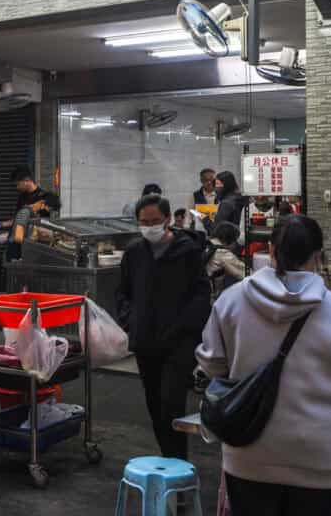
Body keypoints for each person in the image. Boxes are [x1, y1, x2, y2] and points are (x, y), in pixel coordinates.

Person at [196, 215, 331, 515]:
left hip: (249, 457)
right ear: (318, 256)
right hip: (321, 460)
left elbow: (211, 363)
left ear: (271, 250)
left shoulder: (231, 301)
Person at [115, 194, 210, 461]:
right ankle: (168, 458)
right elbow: (123, 293)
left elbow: (201, 295)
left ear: (167, 219)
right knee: (155, 405)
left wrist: (187, 329)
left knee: (172, 403)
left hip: (178, 344)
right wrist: (130, 320)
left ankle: (178, 463)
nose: (150, 226)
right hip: (145, 342)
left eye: (155, 221)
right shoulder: (134, 252)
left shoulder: (187, 251)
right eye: (144, 222)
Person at [5, 166, 61, 261]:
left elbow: (54, 208)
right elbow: (17, 219)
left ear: (26, 180)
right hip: (17, 243)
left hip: (33, 244)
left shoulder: (45, 196)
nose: (17, 187)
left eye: (18, 184)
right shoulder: (21, 198)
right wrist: (3, 225)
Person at [205, 221, 246, 300]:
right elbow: (244, 272)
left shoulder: (207, 244)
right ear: (230, 239)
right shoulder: (222, 253)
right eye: (235, 240)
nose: (235, 244)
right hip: (210, 296)